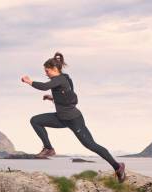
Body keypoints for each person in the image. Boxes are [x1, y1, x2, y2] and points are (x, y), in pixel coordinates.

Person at [21, 52, 126, 183]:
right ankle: (48, 148)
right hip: (61, 118)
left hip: (74, 120)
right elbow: (67, 95)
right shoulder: (62, 79)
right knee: (35, 120)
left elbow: (43, 87)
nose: (45, 73)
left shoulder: (60, 79)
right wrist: (52, 98)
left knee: (91, 145)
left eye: (47, 71)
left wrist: (29, 81)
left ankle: (118, 166)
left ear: (54, 69)